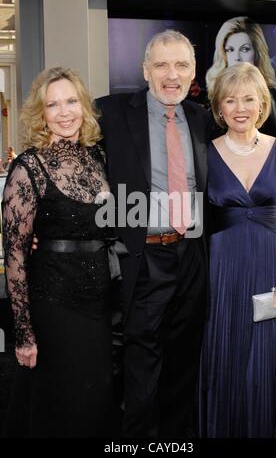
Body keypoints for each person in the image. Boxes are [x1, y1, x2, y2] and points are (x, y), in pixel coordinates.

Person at [95, 29, 210, 438]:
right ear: (145, 70)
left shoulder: (200, 118)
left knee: (182, 365)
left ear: (194, 71)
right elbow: (71, 171)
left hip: (192, 258)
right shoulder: (108, 113)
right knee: (141, 370)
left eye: (181, 65)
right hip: (142, 259)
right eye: (161, 64)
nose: (171, 74)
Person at [2, 66, 122, 437]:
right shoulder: (29, 168)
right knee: (63, 407)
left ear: (84, 106)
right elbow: (16, 255)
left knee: (97, 401)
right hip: (54, 305)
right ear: (41, 114)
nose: (65, 111)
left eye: (71, 101)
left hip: (101, 305)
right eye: (53, 105)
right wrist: (23, 333)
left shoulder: (99, 159)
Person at [198, 62, 276, 438]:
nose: (240, 107)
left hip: (272, 269)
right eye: (230, 100)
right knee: (221, 359)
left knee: (263, 369)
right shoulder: (204, 154)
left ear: (262, 105)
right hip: (219, 271)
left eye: (248, 99)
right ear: (219, 109)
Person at [206, 16, 276, 139]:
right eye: (230, 50)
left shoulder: (272, 98)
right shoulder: (214, 96)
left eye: (244, 49)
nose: (237, 57)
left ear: (257, 53)